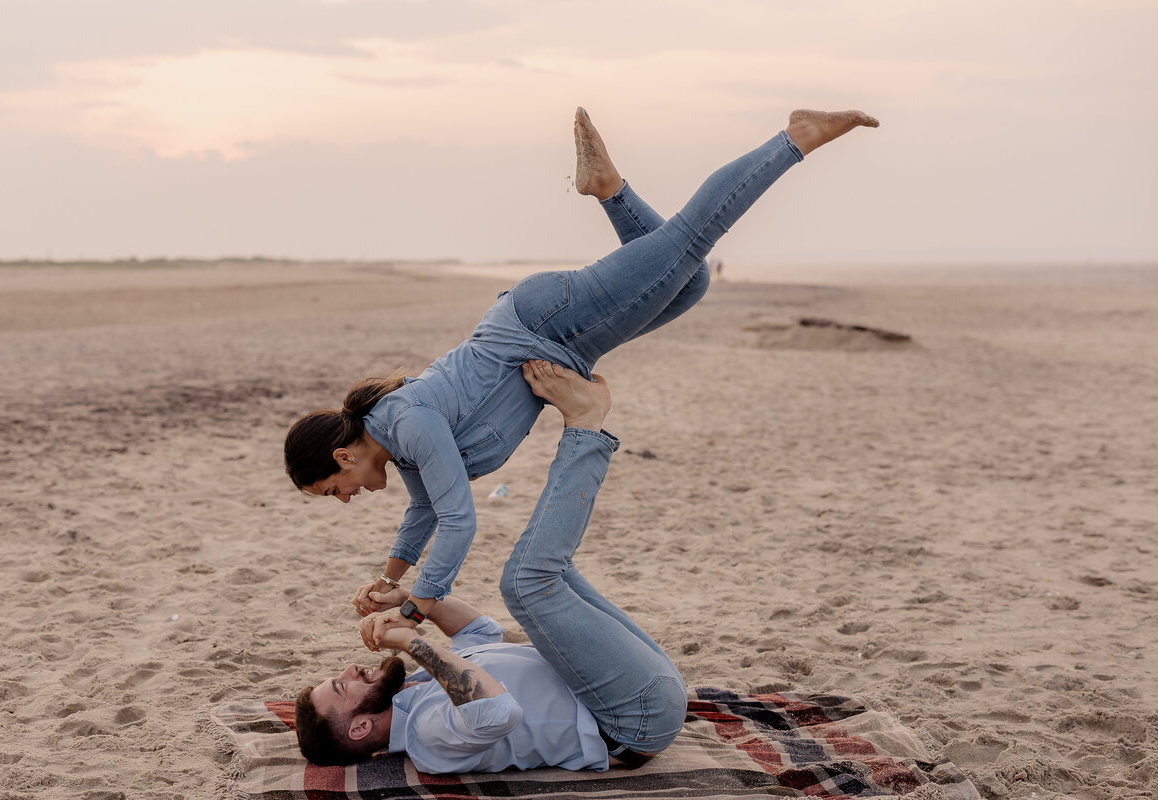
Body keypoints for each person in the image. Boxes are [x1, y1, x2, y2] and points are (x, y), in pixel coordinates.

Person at [283, 107, 880, 633]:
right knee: (691, 278)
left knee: (694, 235)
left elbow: (458, 523)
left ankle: (794, 136)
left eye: (331, 491)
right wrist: (388, 579)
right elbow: (426, 514)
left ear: (341, 458)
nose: (344, 500)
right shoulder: (399, 446)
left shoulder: (406, 425)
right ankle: (608, 188)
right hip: (561, 337)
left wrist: (415, 608)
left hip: (551, 324)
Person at [295, 366, 687, 771]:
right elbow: (499, 713)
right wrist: (412, 642)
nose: (349, 669)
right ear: (359, 728)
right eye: (342, 685)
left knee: (547, 571)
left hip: (622, 686)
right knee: (527, 582)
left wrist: (407, 599)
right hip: (633, 720)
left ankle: (582, 422)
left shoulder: (418, 689)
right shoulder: (427, 738)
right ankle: (585, 424)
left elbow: (479, 632)